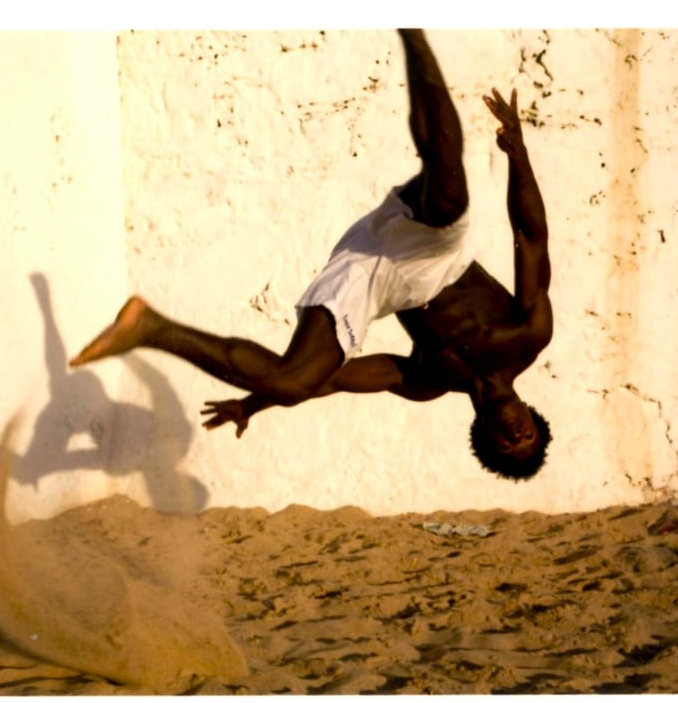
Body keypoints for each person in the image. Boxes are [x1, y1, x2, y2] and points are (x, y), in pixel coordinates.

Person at [70, 29, 553, 480]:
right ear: (532, 416)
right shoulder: (528, 336)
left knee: (293, 381)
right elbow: (531, 236)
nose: (515, 433)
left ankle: (149, 327)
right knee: (449, 198)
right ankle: (413, 30)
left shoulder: (428, 379)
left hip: (372, 276)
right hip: (433, 252)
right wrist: (519, 153)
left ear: (484, 438)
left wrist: (253, 404)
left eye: (510, 445)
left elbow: (334, 381)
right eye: (527, 434)